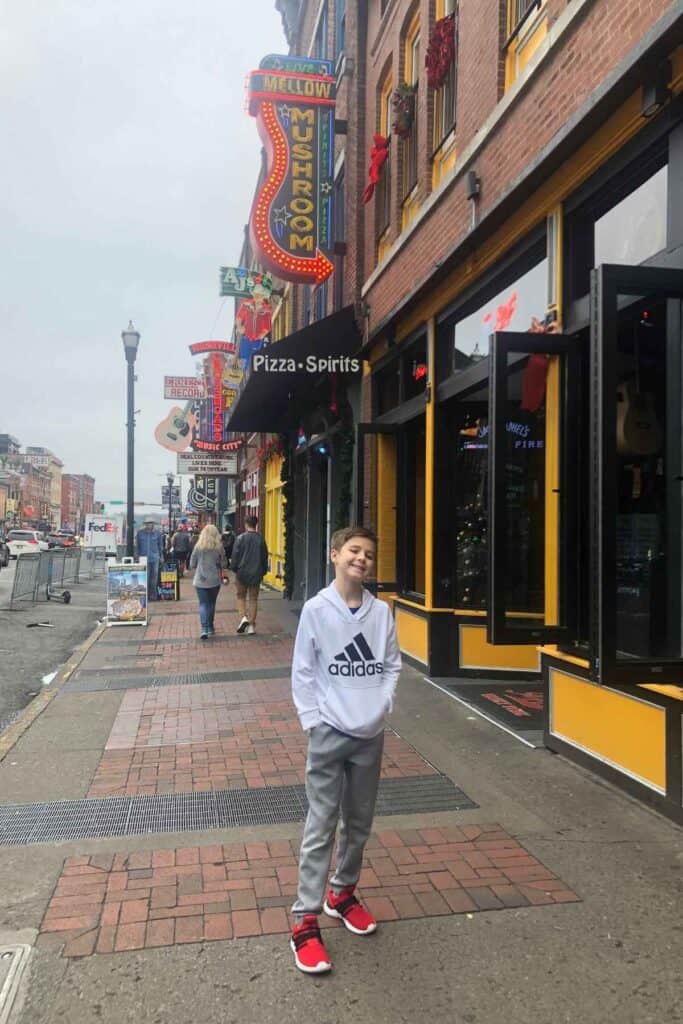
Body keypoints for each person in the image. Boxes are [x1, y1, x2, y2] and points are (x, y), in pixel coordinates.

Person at [289, 526, 402, 974]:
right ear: (335, 554)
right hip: (330, 732)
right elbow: (303, 670)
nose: (362, 559)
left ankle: (342, 892)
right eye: (354, 551)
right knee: (321, 824)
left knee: (359, 823)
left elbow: (392, 664)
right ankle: (304, 919)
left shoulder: (382, 614)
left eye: (369, 554)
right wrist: (314, 722)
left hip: (369, 734)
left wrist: (382, 704)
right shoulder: (317, 610)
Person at [188, 524, 228, 639]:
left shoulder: (198, 546)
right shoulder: (219, 547)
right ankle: (210, 626)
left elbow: (192, 564)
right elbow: (224, 563)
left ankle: (204, 628)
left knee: (203, 603)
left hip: (200, 579)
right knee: (211, 603)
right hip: (214, 579)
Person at [230, 515, 268, 635]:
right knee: (253, 599)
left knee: (241, 597)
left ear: (246, 524)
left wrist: (234, 569)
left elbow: (235, 555)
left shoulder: (240, 538)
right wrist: (263, 571)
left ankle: (243, 618)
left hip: (241, 573)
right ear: (256, 525)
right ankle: (251, 626)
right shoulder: (261, 539)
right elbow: (264, 557)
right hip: (256, 573)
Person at [135, 518, 164, 601]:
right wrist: (136, 556)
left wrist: (161, 557)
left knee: (154, 578)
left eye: (150, 523)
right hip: (143, 558)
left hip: (155, 558)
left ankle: (153, 596)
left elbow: (160, 546)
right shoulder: (140, 533)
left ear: (153, 524)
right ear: (145, 524)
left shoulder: (157, 533)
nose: (149, 525)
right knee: (144, 578)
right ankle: (145, 596)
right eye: (147, 523)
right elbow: (137, 546)